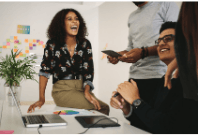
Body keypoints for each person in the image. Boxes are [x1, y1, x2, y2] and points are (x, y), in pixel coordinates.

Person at [111, 21, 198, 133]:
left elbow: (170, 127)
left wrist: (136, 101)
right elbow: (147, 121)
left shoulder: (190, 81)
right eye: (159, 41)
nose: (161, 44)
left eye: (168, 38)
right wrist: (127, 108)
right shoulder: (163, 80)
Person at [27, 9, 109, 115]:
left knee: (103, 108)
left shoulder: (85, 43)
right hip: (62, 90)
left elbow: (88, 71)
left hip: (81, 89)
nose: (74, 21)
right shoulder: (52, 44)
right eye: (69, 19)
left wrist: (87, 91)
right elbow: (45, 71)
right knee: (101, 108)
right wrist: (41, 98)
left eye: (76, 19)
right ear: (61, 24)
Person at [108, 2, 179, 105]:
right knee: (134, 118)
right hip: (135, 79)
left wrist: (143, 52)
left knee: (156, 118)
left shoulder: (166, 5)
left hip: (160, 77)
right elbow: (131, 48)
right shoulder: (132, 16)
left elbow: (175, 42)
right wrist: (119, 55)